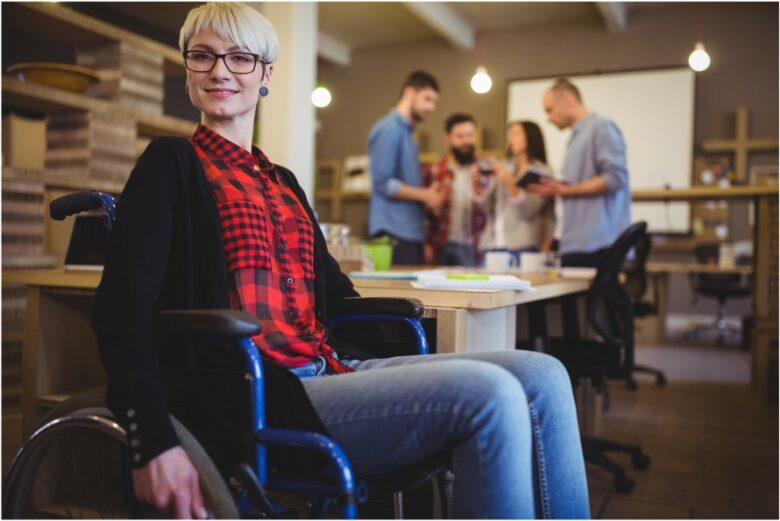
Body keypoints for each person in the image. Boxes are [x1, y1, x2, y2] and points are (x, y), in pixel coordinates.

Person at [92, 4, 589, 518]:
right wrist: (149, 440)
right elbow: (121, 310)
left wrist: (408, 347)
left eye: (240, 58)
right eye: (204, 56)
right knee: (490, 396)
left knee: (544, 374)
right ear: (189, 68)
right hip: (260, 392)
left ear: (266, 74)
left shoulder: (282, 182)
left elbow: (340, 296)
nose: (220, 70)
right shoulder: (170, 165)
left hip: (331, 365)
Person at [529, 78, 631, 268]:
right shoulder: (576, 136)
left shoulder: (601, 127)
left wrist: (565, 190)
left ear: (568, 100)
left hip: (597, 244)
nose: (548, 118)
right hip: (575, 243)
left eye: (549, 110)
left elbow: (615, 178)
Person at [368, 71, 445, 265]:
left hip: (409, 232)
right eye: (427, 99)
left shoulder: (408, 135)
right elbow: (383, 184)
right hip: (393, 231)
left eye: (434, 102)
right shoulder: (389, 129)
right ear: (409, 93)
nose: (432, 107)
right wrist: (426, 195)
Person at [473, 120, 554, 265]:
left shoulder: (542, 171)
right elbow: (487, 209)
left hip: (522, 246)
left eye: (516, 133)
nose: (511, 138)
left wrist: (511, 183)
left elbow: (529, 210)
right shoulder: (504, 167)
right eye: (510, 134)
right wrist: (476, 187)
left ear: (530, 137)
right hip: (492, 244)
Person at [422, 113, 487, 267]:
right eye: (460, 136)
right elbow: (421, 213)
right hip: (441, 245)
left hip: (475, 245)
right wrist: (425, 244)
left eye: (470, 135)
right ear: (448, 138)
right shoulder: (434, 170)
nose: (466, 141)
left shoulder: (486, 169)